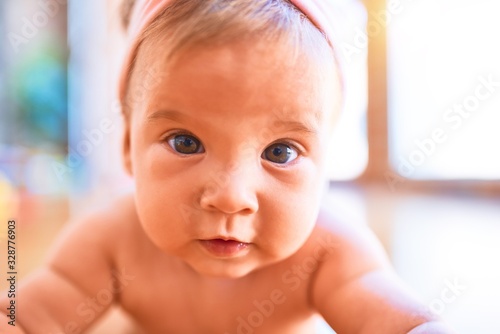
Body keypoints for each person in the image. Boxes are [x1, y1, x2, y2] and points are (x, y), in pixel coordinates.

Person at [0, 0, 456, 333]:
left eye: (280, 152)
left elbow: (398, 320)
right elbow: (32, 314)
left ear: (326, 162)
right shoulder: (110, 240)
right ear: (125, 146)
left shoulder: (328, 253)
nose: (231, 196)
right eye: (185, 142)